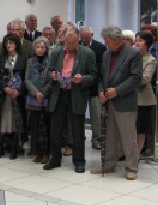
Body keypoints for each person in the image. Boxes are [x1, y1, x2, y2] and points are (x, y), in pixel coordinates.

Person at [91, 26, 142, 180]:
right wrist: (101, 91)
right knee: (109, 136)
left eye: (107, 40)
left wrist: (117, 91)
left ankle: (132, 168)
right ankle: (108, 164)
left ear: (118, 40)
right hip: (108, 102)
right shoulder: (106, 55)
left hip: (125, 102)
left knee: (128, 137)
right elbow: (101, 77)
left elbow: (135, 79)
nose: (105, 43)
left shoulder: (133, 54)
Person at [43, 27, 96, 173]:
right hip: (59, 94)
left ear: (78, 39)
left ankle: (79, 161)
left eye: (73, 42)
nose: (70, 45)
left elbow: (93, 75)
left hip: (76, 94)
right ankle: (55, 159)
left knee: (77, 130)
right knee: (55, 129)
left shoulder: (87, 53)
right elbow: (48, 71)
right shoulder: (57, 52)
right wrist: (53, 76)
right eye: (67, 42)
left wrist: (82, 79)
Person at [0, 33, 27, 159]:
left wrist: (19, 91)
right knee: (2, 121)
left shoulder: (23, 59)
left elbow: (26, 78)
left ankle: (15, 150)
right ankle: (0, 149)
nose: (8, 45)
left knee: (16, 122)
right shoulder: (1, 59)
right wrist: (5, 88)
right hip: (4, 95)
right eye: (6, 43)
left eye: (11, 43)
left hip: (17, 97)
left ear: (16, 44)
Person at [24, 37, 51, 164]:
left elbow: (51, 80)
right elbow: (27, 79)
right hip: (33, 98)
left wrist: (42, 93)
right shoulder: (30, 61)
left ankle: (46, 152)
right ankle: (38, 152)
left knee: (45, 126)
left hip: (46, 98)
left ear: (46, 49)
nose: (39, 49)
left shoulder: (50, 61)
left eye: (42, 47)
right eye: (37, 47)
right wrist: (35, 93)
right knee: (34, 126)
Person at [80, 26, 107, 150]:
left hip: (94, 86)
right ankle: (80, 137)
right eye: (82, 38)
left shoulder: (100, 47)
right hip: (80, 86)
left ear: (92, 35)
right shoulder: (77, 45)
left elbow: (101, 68)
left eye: (87, 38)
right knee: (79, 114)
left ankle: (97, 139)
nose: (85, 40)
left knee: (96, 115)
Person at [135, 30, 157, 155]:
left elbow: (145, 79)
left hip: (144, 100)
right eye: (136, 40)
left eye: (140, 40)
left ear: (147, 44)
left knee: (141, 129)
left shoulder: (151, 60)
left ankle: (137, 153)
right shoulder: (131, 57)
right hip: (130, 99)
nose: (137, 43)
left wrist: (131, 78)